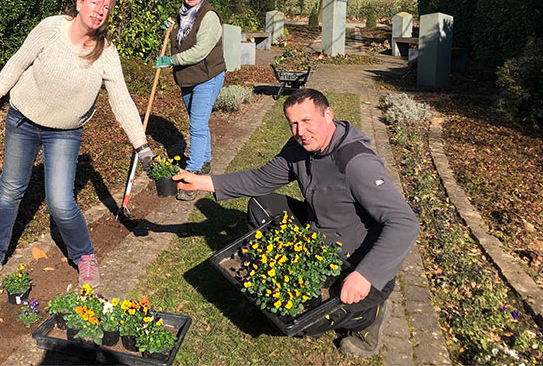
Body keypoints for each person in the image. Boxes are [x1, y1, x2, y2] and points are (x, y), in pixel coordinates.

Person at [173, 88, 419, 357]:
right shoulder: (299, 148)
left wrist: (366, 275)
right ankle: (275, 271)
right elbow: (260, 180)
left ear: (328, 115)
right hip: (318, 233)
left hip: (355, 256)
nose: (301, 131)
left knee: (304, 323)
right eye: (293, 123)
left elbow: (404, 222)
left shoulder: (356, 163)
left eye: (307, 120)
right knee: (261, 203)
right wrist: (202, 182)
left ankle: (370, 316)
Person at [0, 0, 154, 288]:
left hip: (65, 133)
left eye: (107, 7)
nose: (100, 11)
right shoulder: (51, 28)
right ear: (80, 3)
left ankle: (85, 257)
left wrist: (141, 146)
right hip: (22, 121)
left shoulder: (106, 53)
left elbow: (121, 99)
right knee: (11, 190)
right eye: (95, 3)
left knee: (60, 202)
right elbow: (18, 62)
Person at [154, 0, 225, 201]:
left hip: (207, 76)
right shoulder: (182, 14)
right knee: (198, 123)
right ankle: (204, 161)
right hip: (187, 78)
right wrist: (171, 28)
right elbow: (181, 37)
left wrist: (171, 60)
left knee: (197, 124)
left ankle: (192, 175)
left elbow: (200, 51)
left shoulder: (209, 17)